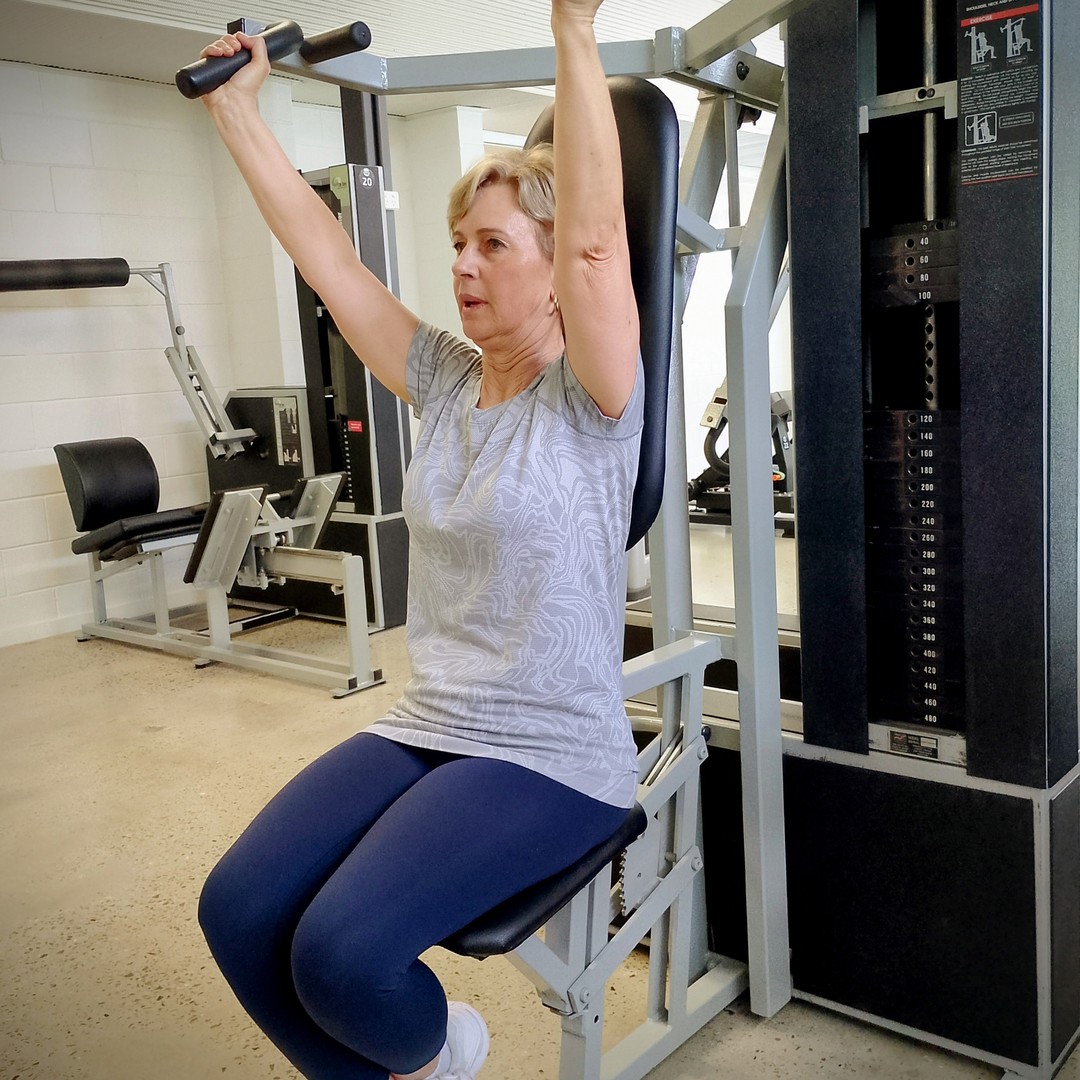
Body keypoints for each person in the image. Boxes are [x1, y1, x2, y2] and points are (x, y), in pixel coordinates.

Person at [194, 2, 642, 1077]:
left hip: (551, 747)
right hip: (430, 714)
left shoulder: (592, 392)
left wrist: (571, 28)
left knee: (344, 956)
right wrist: (239, 112)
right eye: (457, 246)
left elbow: (595, 238)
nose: (466, 265)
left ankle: (443, 1054)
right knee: (240, 910)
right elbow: (327, 258)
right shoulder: (443, 378)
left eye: (494, 244)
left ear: (550, 266)